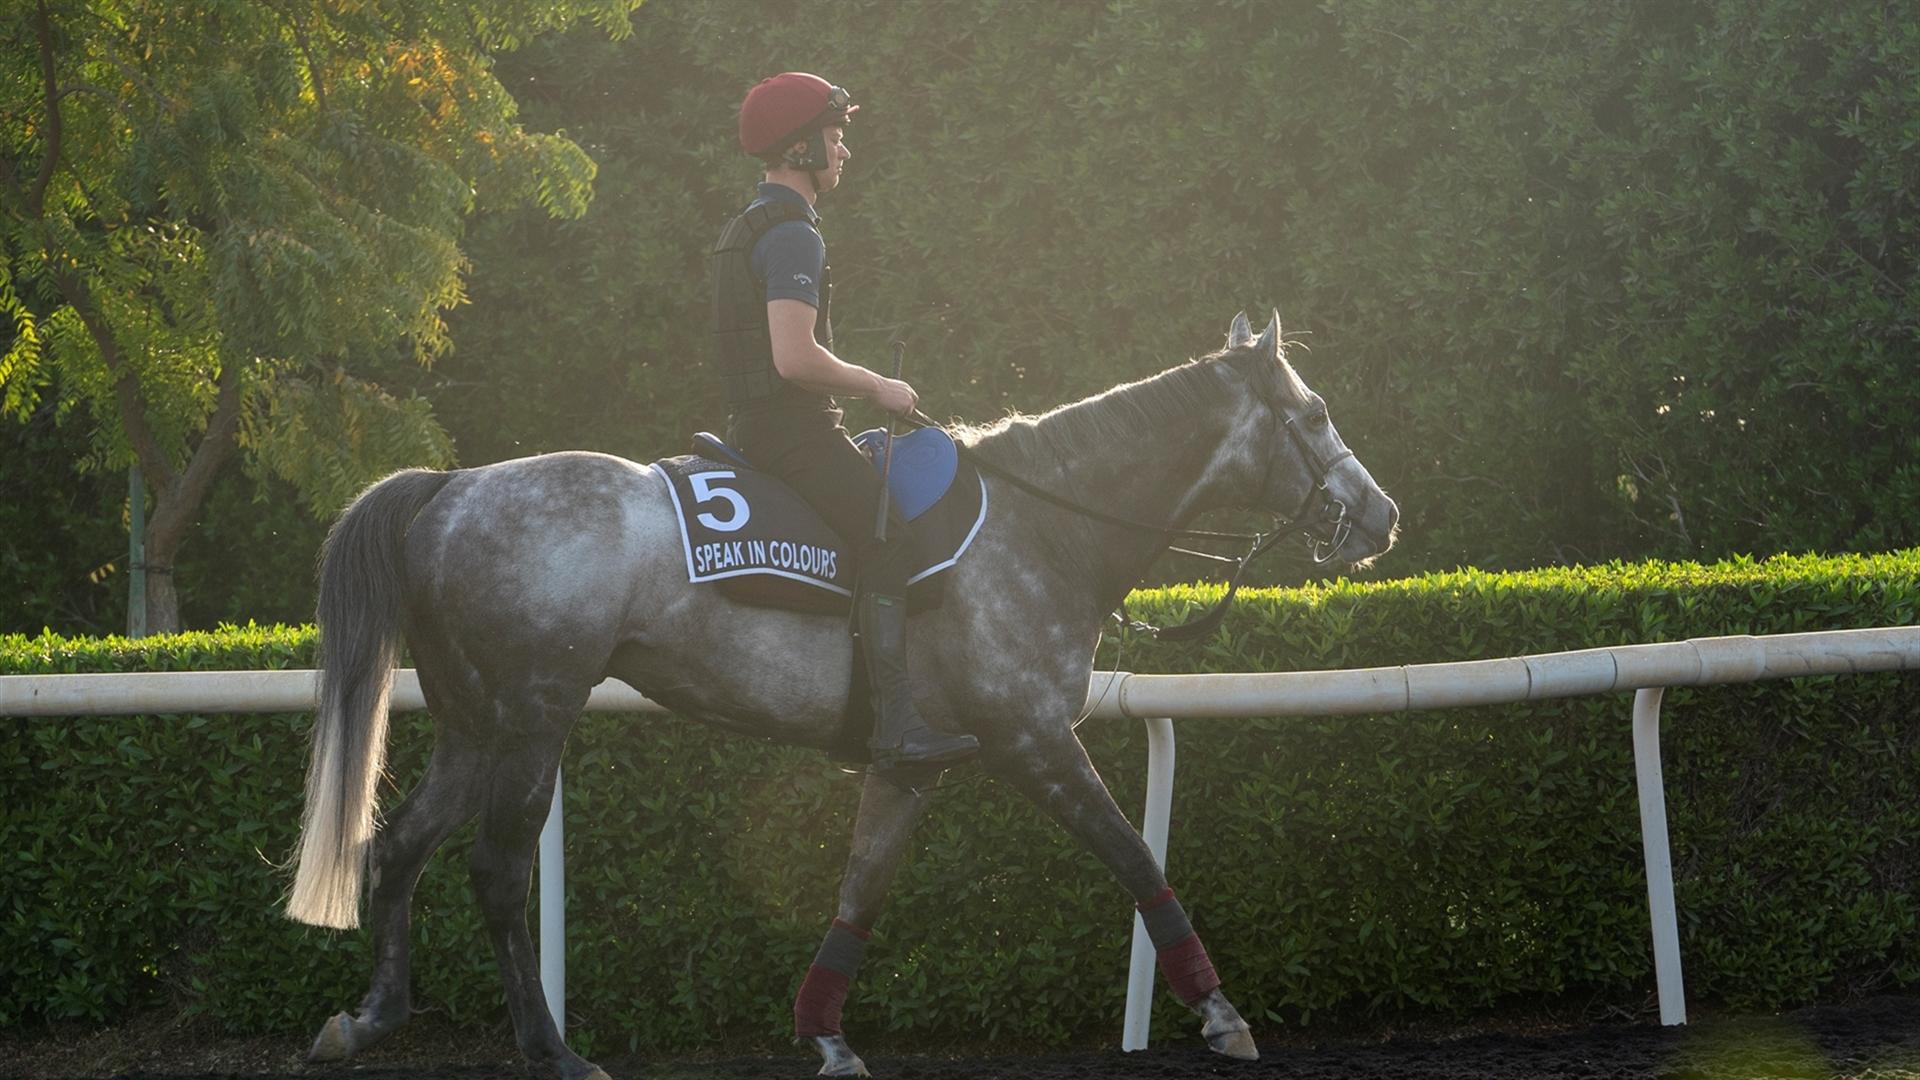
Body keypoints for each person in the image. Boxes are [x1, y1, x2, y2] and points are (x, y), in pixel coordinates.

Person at [711, 72, 979, 771]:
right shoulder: (795, 235)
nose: (843, 151)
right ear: (801, 149)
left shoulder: (744, 226)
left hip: (755, 427)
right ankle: (894, 728)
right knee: (887, 538)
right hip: (794, 434)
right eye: (834, 138)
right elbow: (795, 359)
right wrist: (878, 386)